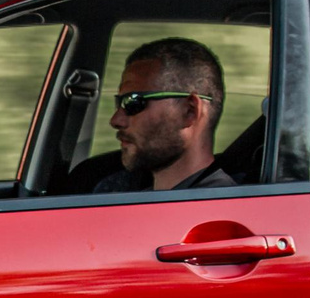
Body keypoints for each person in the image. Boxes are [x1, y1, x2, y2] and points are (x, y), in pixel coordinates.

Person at [88, 37, 234, 192]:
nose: (116, 120)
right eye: (120, 102)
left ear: (189, 111)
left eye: (133, 102)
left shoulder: (219, 204)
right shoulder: (134, 196)